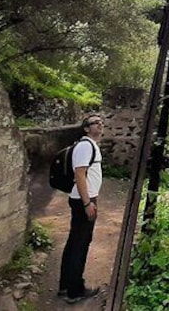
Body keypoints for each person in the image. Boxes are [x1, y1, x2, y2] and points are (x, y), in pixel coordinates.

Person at [58, 114, 104, 303]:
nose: (100, 125)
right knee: (80, 244)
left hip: (83, 199)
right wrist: (87, 203)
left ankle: (65, 285)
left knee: (74, 242)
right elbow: (79, 174)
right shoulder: (85, 146)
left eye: (101, 122)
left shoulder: (88, 145)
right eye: (95, 123)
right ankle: (75, 290)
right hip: (84, 201)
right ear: (86, 128)